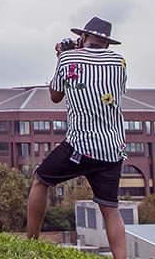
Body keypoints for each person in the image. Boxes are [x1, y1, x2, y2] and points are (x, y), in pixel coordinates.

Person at [26, 16, 128, 259]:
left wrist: (62, 56)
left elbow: (55, 96)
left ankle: (31, 244)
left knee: (40, 180)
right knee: (110, 208)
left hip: (79, 146)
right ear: (107, 42)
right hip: (112, 149)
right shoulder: (120, 62)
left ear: (83, 37)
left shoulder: (69, 59)